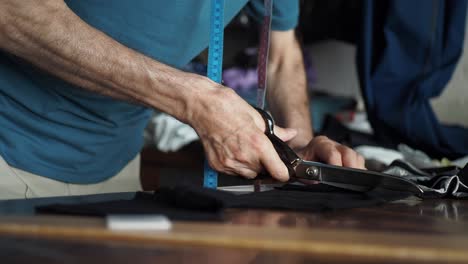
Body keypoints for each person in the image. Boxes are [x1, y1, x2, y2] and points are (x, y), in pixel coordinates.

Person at [0, 0, 364, 200]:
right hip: (10, 150)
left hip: (117, 168)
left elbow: (282, 56)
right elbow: (12, 12)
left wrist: (297, 150)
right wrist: (193, 99)